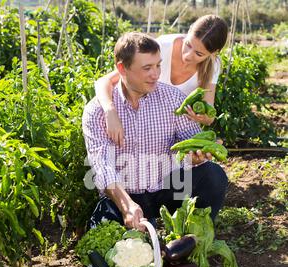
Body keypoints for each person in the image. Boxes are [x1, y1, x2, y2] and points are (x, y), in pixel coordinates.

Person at [82, 32, 228, 233]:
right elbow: (101, 166)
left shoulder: (172, 98)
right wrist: (127, 207)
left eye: (158, 65)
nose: (156, 74)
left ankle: (192, 237)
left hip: (168, 189)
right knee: (114, 249)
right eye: (147, 68)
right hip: (125, 194)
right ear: (122, 69)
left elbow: (190, 141)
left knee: (213, 175)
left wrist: (197, 155)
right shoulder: (98, 111)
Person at [95, 14, 228, 147]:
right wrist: (110, 111)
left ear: (213, 53)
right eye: (188, 44)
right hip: (140, 123)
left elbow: (209, 116)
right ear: (189, 30)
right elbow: (104, 81)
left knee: (208, 167)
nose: (187, 55)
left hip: (173, 134)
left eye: (198, 54)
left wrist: (202, 118)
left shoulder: (213, 65)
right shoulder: (163, 46)